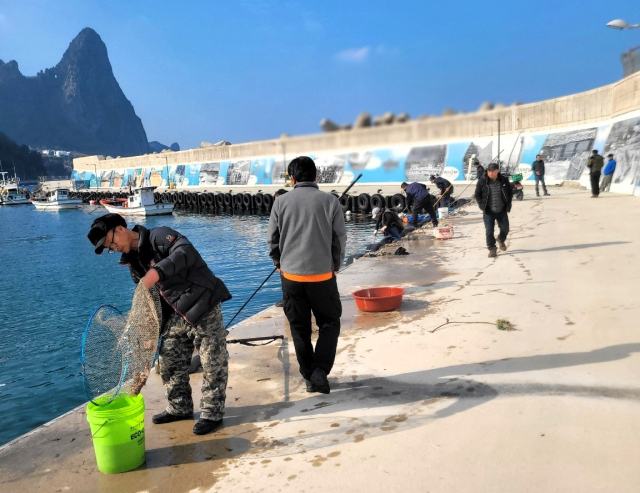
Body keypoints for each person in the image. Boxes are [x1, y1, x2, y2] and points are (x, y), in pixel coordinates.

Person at [87, 213, 232, 435]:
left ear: (119, 229)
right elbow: (152, 303)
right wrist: (150, 335)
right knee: (168, 361)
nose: (112, 248)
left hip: (203, 303)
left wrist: (156, 271)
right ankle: (179, 407)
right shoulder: (134, 265)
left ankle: (212, 412)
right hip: (176, 314)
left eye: (110, 242)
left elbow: (186, 253)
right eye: (108, 247)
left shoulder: (159, 236)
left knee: (213, 361)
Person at [267, 156, 347, 394]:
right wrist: (335, 265)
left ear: (292, 178)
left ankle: (310, 374)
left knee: (299, 327)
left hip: (291, 277)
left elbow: (272, 239)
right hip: (323, 277)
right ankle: (320, 370)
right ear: (316, 176)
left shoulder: (280, 202)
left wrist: (278, 264)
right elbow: (339, 239)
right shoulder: (330, 201)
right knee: (329, 323)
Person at [474, 163, 513, 258]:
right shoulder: (482, 181)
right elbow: (477, 195)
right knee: (489, 231)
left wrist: (508, 204)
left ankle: (500, 239)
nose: (490, 173)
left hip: (501, 210)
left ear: (497, 171)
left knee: (505, 229)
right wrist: (482, 205)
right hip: (488, 211)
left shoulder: (504, 180)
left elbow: (509, 193)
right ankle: (492, 248)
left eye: (492, 171)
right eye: (488, 171)